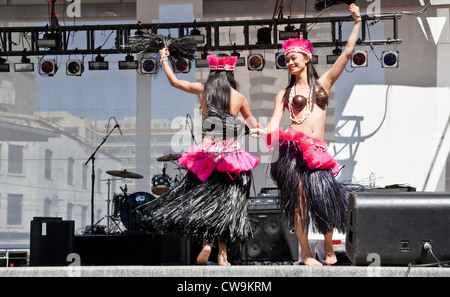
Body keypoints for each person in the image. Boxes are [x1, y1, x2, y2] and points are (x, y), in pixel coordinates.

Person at [253, 4, 362, 266]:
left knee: (324, 200)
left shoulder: (322, 84)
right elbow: (274, 124)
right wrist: (260, 130)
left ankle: (328, 246)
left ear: (306, 58)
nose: (290, 62)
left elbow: (347, 53)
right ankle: (304, 252)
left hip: (317, 152)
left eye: (294, 57)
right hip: (292, 152)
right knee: (300, 203)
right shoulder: (284, 94)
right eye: (287, 59)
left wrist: (357, 21)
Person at [151, 49, 262, 266]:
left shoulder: (203, 91)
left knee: (205, 202)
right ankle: (222, 255)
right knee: (226, 205)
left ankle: (206, 244)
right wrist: (260, 130)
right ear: (230, 76)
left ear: (212, 75)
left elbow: (174, 82)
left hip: (207, 156)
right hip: (231, 157)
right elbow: (253, 125)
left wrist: (164, 59)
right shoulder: (238, 97)